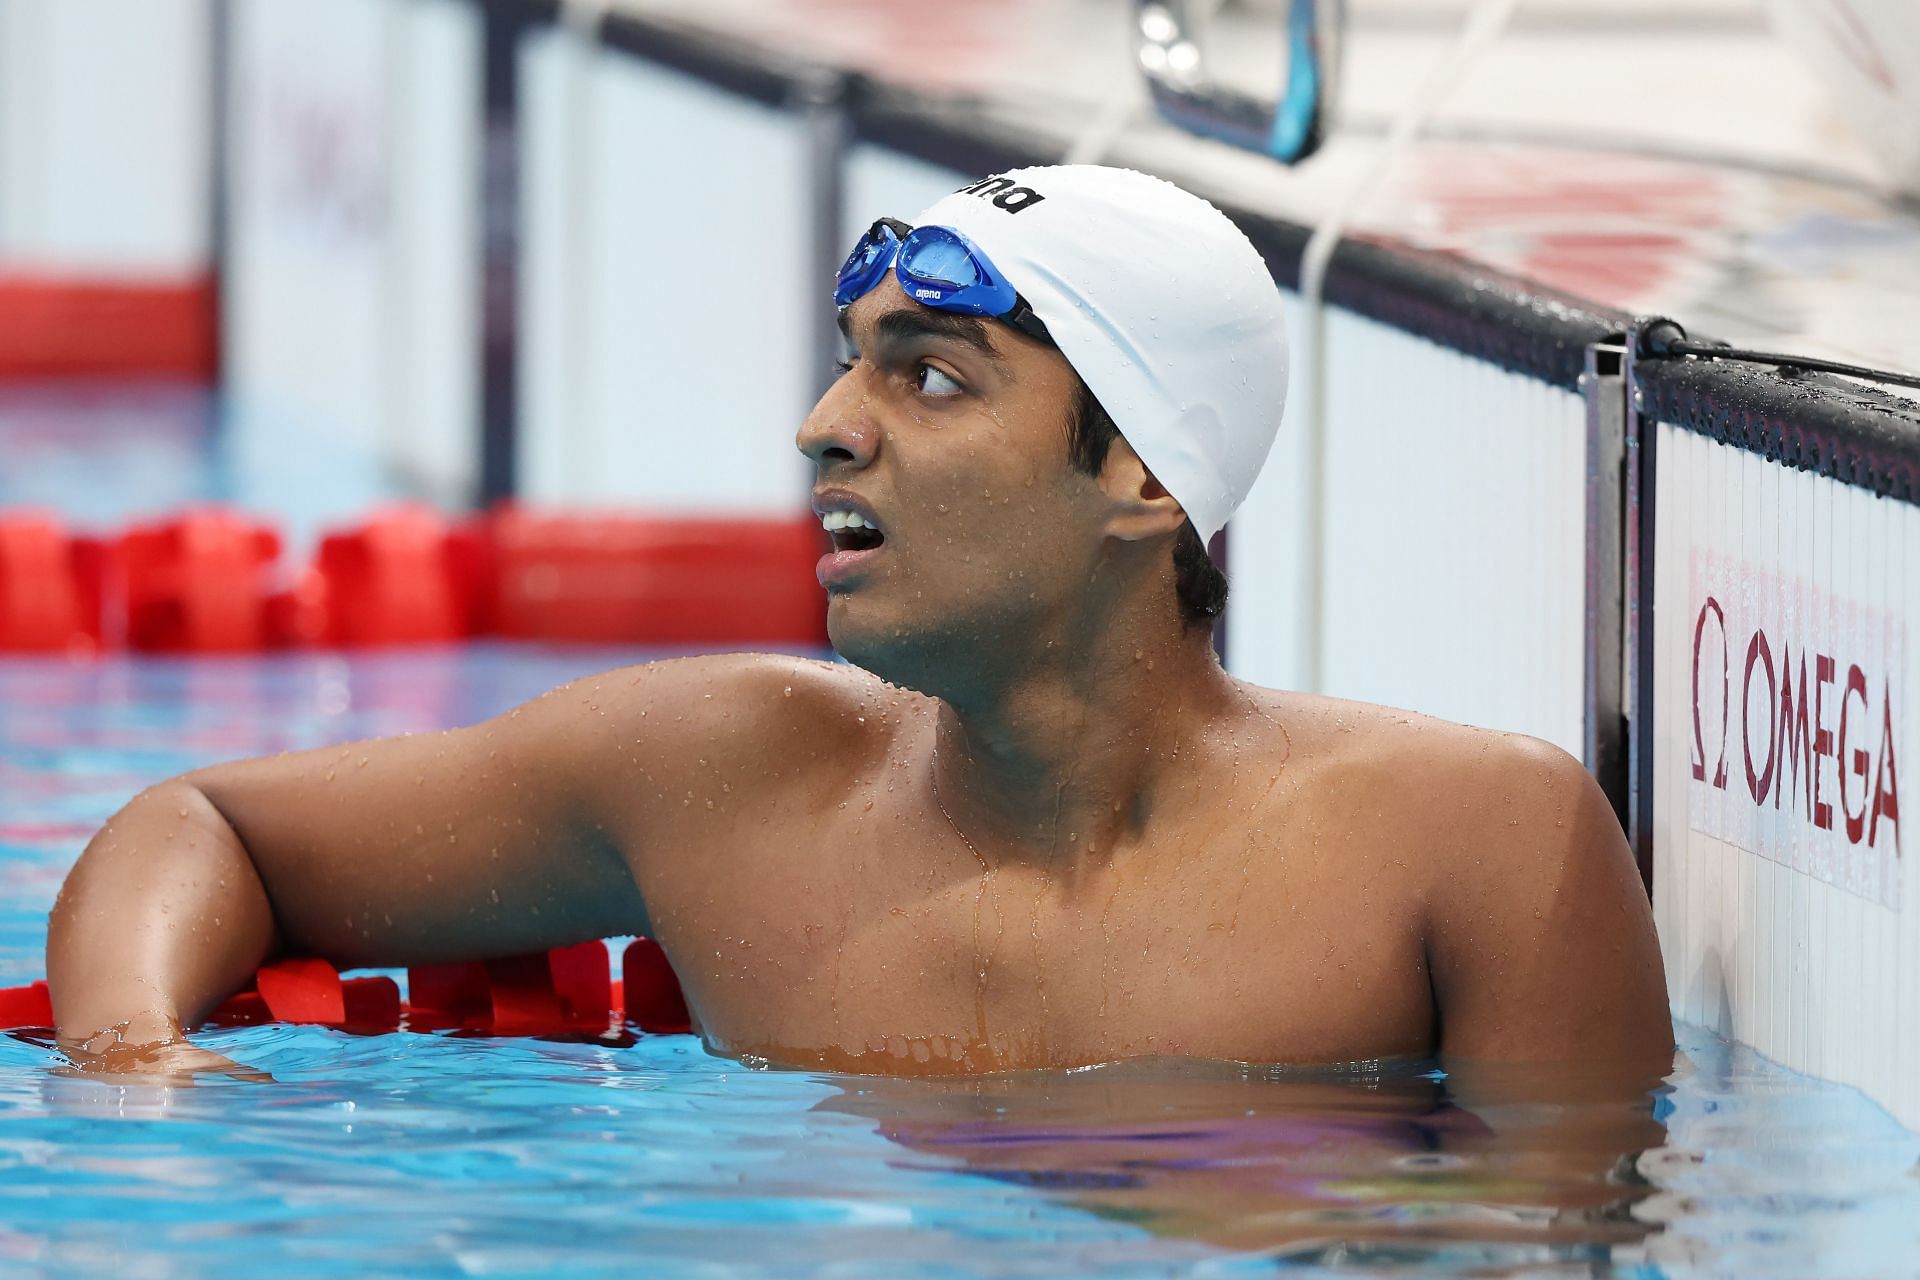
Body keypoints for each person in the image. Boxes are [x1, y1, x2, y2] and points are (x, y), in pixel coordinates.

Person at [47, 165, 1672, 1078]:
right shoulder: (722, 774)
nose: (828, 422)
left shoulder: (1473, 849)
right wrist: (132, 1066)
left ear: (1144, 481)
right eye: (849, 357)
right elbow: (202, 826)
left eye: (932, 377)